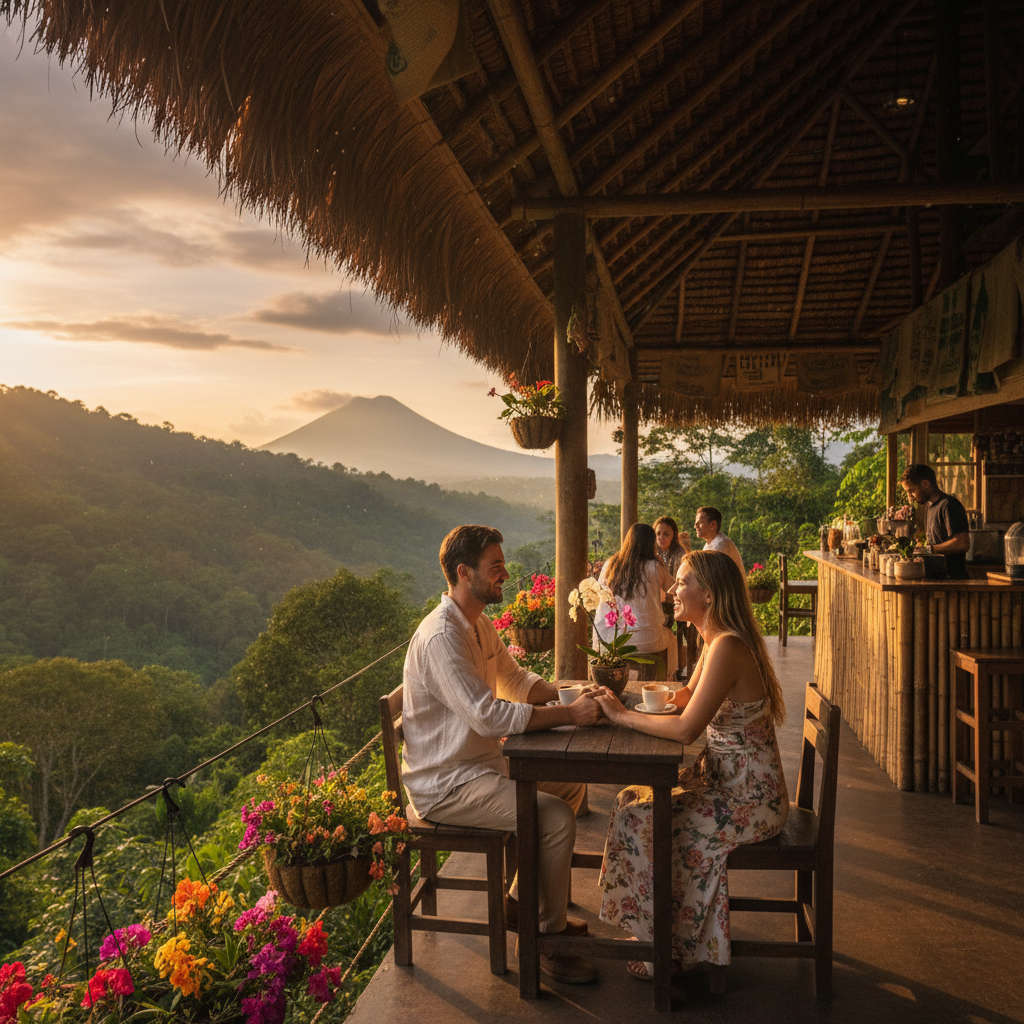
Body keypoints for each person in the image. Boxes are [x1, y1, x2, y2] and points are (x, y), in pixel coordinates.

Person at [401, 525, 603, 984]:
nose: (505, 574)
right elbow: (488, 717)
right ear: (463, 572)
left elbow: (514, 680)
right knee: (553, 818)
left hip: (481, 766)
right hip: (447, 784)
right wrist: (569, 715)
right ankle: (547, 942)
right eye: (495, 567)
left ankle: (522, 904)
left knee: (570, 786)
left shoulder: (475, 623)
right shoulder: (442, 638)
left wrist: (568, 693)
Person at [593, 549, 789, 979]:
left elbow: (685, 729)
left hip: (750, 799)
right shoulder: (714, 639)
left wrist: (622, 716)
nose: (671, 589)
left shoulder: (728, 647)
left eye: (682, 582)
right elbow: (682, 700)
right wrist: (623, 699)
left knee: (644, 818)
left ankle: (663, 946)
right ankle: (659, 932)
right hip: (726, 782)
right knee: (631, 799)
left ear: (710, 595)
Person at [595, 523, 676, 681]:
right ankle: (667, 680)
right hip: (649, 641)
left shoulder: (610, 564)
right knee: (670, 637)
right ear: (650, 543)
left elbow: (601, 597)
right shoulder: (654, 566)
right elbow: (674, 589)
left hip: (612, 641)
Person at [900, 463, 970, 579]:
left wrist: (928, 550)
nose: (910, 497)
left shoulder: (949, 505)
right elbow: (937, 540)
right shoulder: (929, 506)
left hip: (953, 581)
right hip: (937, 579)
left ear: (925, 484)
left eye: (912, 491)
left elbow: (962, 543)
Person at [693, 506, 745, 576]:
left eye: (699, 523)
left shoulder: (721, 545)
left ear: (712, 525)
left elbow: (714, 579)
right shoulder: (710, 544)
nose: (695, 526)